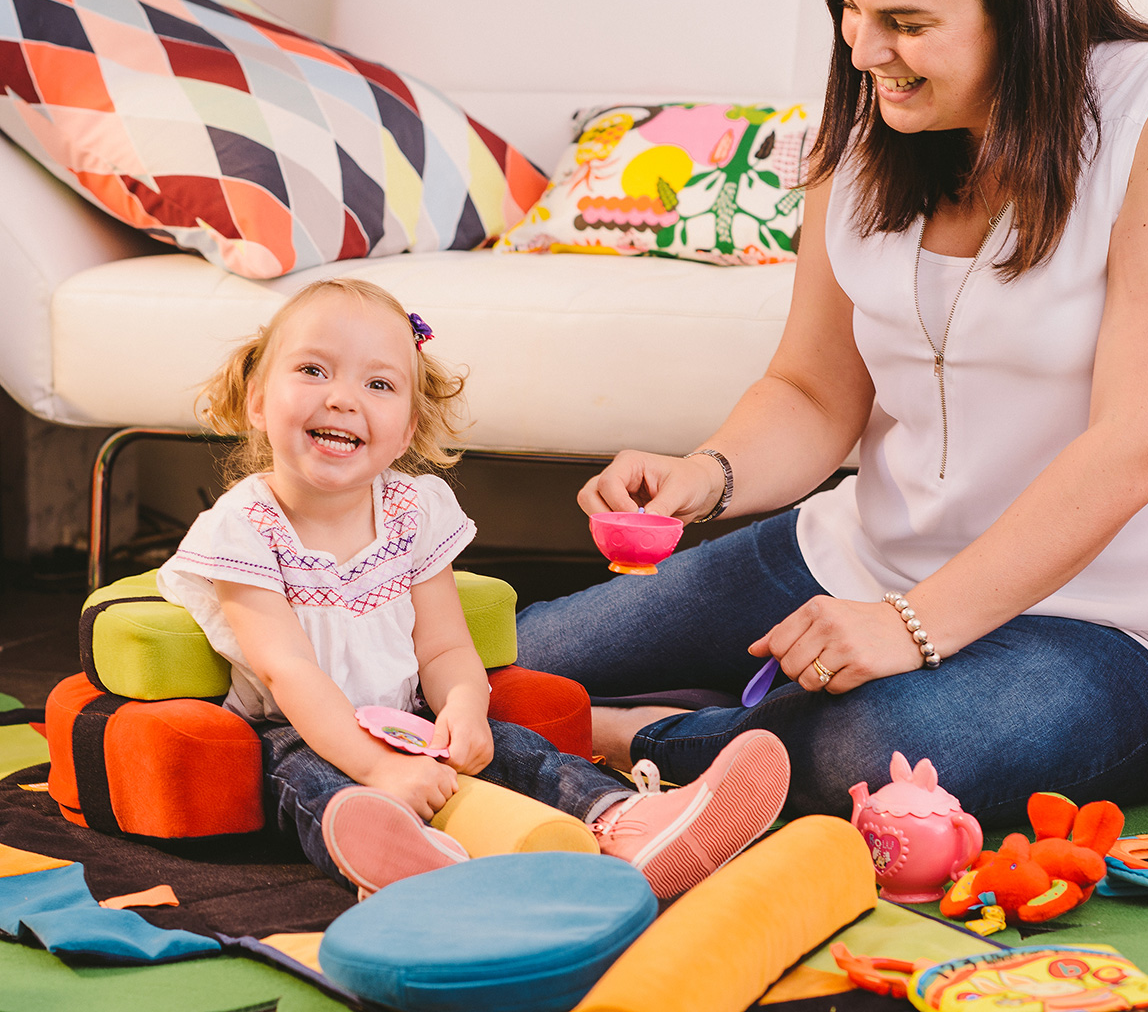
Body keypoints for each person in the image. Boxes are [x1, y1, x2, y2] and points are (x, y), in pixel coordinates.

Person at [515, 0, 1148, 828]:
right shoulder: (872, 127)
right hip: (858, 559)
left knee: (868, 758)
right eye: (850, 7)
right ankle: (678, 741)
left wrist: (910, 626)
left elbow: (1144, 436)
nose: (864, 49)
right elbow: (813, 391)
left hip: (1102, 623)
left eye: (906, 22)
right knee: (509, 659)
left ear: (1025, 12)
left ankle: (636, 742)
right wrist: (705, 477)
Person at [157, 278, 789, 900]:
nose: (343, 399)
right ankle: (403, 858)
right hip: (293, 725)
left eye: (378, 384)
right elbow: (289, 669)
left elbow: (442, 646)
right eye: (313, 371)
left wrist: (461, 707)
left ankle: (630, 821)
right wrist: (376, 768)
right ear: (257, 401)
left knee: (514, 747)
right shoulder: (243, 528)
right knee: (310, 780)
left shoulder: (413, 511)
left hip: (406, 720)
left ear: (407, 429)